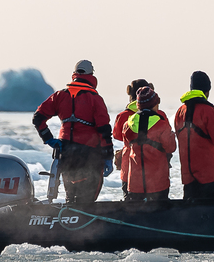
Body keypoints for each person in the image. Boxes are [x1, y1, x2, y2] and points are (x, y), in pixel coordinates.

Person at [32, 59, 111, 208]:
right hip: (90, 154)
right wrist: (108, 156)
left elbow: (38, 118)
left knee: (71, 195)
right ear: (91, 75)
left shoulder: (60, 96)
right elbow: (104, 130)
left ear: (74, 74)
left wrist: (48, 139)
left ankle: (69, 218)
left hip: (65, 151)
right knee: (87, 200)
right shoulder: (95, 99)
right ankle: (83, 220)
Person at [174, 70, 214, 201]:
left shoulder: (180, 111)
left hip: (188, 175)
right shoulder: (209, 111)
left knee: (189, 208)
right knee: (209, 208)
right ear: (207, 91)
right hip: (208, 176)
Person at [114, 84, 175, 202]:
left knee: (136, 209)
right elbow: (171, 147)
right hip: (158, 181)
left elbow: (125, 144)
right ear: (154, 104)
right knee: (160, 209)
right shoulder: (161, 124)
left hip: (135, 182)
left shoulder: (128, 125)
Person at [113, 79, 150, 172]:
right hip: (153, 162)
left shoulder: (122, 116)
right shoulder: (159, 115)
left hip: (129, 163)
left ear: (129, 92)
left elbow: (117, 135)